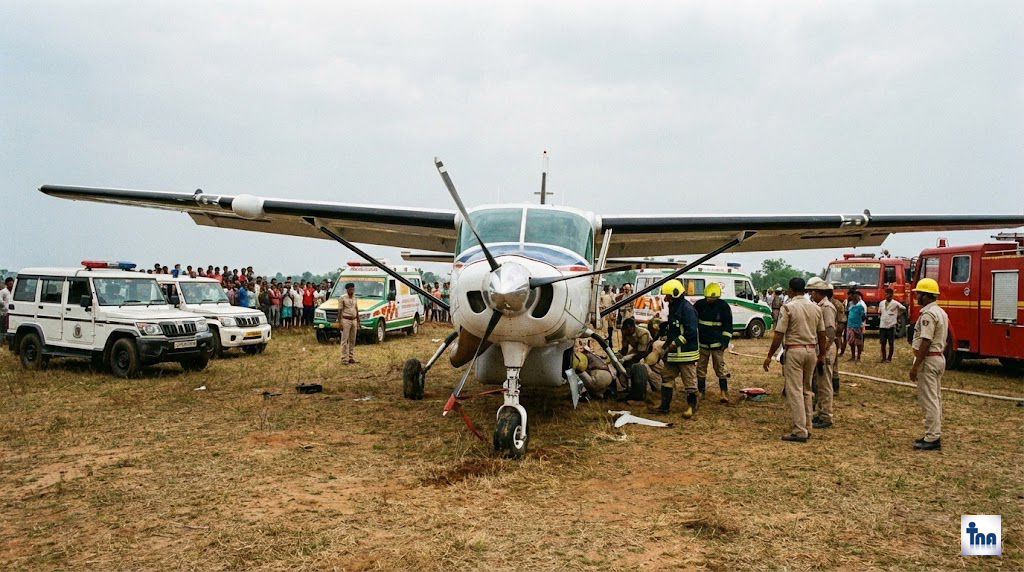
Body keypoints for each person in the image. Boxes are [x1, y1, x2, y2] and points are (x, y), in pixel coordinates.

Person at [763, 277, 827, 443]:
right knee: (807, 390)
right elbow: (822, 333)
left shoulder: (788, 307)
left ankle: (799, 430)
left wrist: (770, 355)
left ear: (790, 290)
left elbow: (779, 333)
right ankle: (807, 426)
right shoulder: (815, 308)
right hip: (811, 351)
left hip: (795, 350)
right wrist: (821, 355)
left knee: (795, 391)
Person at [909, 278, 948, 451]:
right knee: (936, 398)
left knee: (929, 399)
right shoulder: (941, 312)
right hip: (938, 357)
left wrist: (916, 365)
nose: (917, 296)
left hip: (929, 360)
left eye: (919, 293)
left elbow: (926, 340)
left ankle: (932, 437)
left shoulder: (928, 314)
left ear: (926, 296)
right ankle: (933, 433)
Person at [655, 279, 700, 418]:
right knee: (667, 377)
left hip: (686, 353)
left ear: (675, 294)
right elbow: (676, 327)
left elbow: (691, 331)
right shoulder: (674, 307)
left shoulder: (687, 309)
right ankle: (664, 406)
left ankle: (691, 408)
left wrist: (675, 343)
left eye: (667, 295)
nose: (665, 298)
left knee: (689, 383)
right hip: (673, 353)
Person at [806, 278, 837, 429]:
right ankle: (821, 412)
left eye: (813, 291)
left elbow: (830, 331)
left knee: (825, 383)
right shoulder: (819, 306)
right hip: (821, 348)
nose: (811, 294)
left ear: (820, 293)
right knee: (819, 382)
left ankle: (826, 416)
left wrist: (823, 353)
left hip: (826, 349)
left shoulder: (827, 307)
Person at [694, 283, 733, 404]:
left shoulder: (723, 306)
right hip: (703, 344)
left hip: (717, 345)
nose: (710, 300)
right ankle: (701, 392)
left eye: (713, 298)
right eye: (709, 298)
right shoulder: (699, 305)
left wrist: (725, 341)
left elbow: (728, 326)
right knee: (700, 369)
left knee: (720, 368)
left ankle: (723, 392)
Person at [615, 318, 653, 397]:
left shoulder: (643, 333)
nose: (627, 332)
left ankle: (655, 389)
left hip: (648, 350)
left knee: (645, 368)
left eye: (629, 330)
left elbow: (641, 354)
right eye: (625, 330)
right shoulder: (626, 332)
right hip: (637, 349)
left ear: (633, 327)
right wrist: (620, 357)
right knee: (624, 365)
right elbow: (625, 348)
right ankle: (628, 387)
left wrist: (627, 359)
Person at [878, 288, 906, 362]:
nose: (888, 296)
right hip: (883, 325)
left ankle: (889, 358)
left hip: (891, 325)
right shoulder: (881, 303)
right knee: (883, 343)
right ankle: (883, 358)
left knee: (891, 343)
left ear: (892, 295)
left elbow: (903, 309)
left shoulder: (895, 303)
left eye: (890, 294)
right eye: (887, 294)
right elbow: (879, 312)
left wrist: (897, 314)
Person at [830, 289, 847, 393]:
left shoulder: (837, 304)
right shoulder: (837, 304)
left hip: (833, 336)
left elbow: (841, 323)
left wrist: (837, 337)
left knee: (834, 362)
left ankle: (835, 387)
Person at [339, 282, 359, 364]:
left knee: (352, 339)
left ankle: (351, 357)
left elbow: (356, 309)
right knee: (345, 340)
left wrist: (359, 321)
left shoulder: (355, 298)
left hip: (354, 320)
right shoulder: (342, 298)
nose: (352, 291)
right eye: (350, 289)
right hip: (345, 320)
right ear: (347, 290)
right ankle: (344, 358)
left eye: (353, 289)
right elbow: (340, 311)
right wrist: (340, 322)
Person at [845, 290, 867, 361]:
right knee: (851, 342)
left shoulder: (861, 305)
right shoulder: (850, 304)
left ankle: (858, 356)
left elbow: (864, 316)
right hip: (850, 325)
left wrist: (861, 324)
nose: (853, 297)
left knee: (858, 342)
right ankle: (853, 356)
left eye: (854, 295)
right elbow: (847, 313)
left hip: (857, 326)